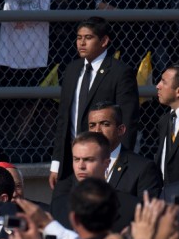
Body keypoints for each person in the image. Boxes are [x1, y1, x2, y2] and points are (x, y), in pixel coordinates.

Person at [49, 17, 139, 190]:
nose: (82, 43)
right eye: (79, 37)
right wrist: (56, 163)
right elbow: (64, 118)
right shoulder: (72, 70)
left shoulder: (120, 72)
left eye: (88, 38)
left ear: (104, 41)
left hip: (103, 161)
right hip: (71, 161)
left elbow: (127, 121)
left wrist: (118, 163)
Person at [51, 132, 138, 232]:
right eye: (76, 159)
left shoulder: (131, 207)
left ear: (106, 163)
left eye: (88, 160)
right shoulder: (58, 206)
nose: (81, 166)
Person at [87, 102, 163, 198]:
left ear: (121, 130)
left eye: (105, 124)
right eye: (92, 125)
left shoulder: (142, 168)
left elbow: (149, 210)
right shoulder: (81, 164)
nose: (97, 130)